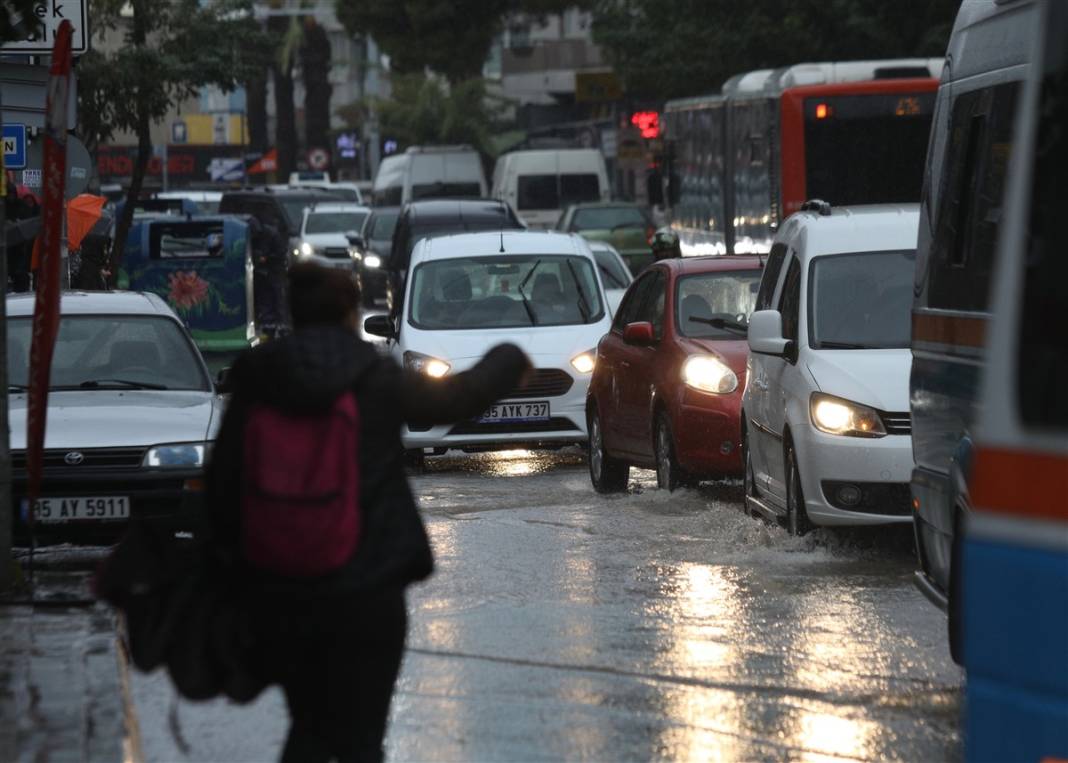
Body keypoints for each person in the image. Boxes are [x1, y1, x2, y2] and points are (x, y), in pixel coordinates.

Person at [204, 262, 530, 763]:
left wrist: (234, 574)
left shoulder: (258, 378)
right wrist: (507, 358)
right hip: (367, 585)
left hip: (282, 588)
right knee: (361, 733)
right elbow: (454, 400)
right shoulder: (374, 375)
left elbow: (223, 486)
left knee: (309, 722)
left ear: (294, 314)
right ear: (350, 313)